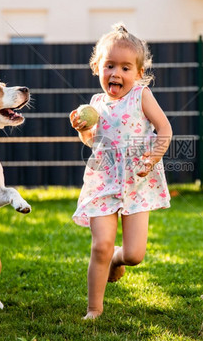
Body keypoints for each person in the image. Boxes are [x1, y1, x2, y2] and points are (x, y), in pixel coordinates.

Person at [69, 23, 172, 320]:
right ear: (97, 68)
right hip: (104, 179)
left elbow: (165, 129)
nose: (116, 73)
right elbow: (92, 142)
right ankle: (94, 309)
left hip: (138, 181)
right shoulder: (95, 104)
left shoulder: (141, 95)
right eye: (109, 65)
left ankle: (118, 258)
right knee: (100, 245)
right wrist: (82, 129)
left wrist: (151, 159)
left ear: (138, 74)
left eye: (126, 68)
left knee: (134, 255)